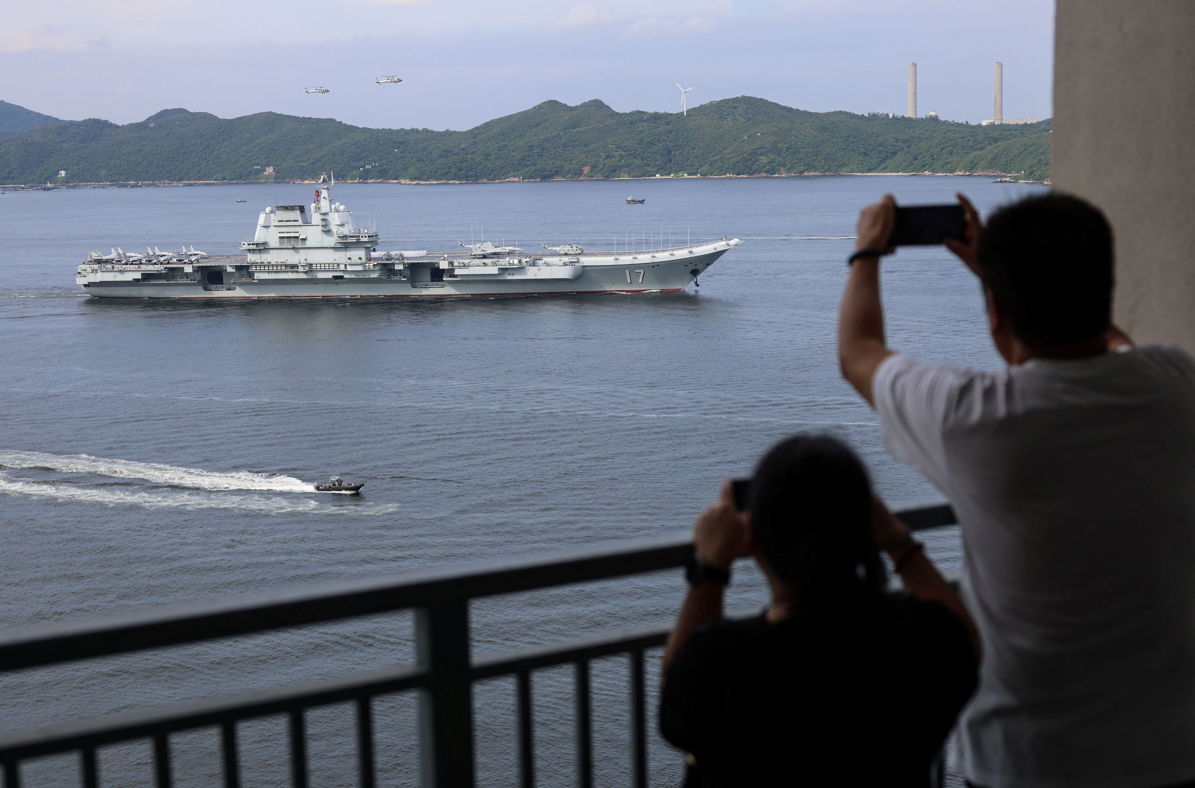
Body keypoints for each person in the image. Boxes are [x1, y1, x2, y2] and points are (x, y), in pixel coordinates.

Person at [837, 193, 1195, 788]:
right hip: (1172, 757)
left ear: (996, 312)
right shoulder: (1174, 382)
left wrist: (867, 251)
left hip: (1023, 763)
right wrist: (1000, 278)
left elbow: (857, 354)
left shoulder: (976, 419)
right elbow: (1119, 351)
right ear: (1105, 286)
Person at [659, 435, 978, 788]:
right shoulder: (915, 638)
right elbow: (965, 642)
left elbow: (677, 710)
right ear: (865, 529)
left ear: (753, 541)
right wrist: (898, 541)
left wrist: (710, 569)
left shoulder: (727, 658)